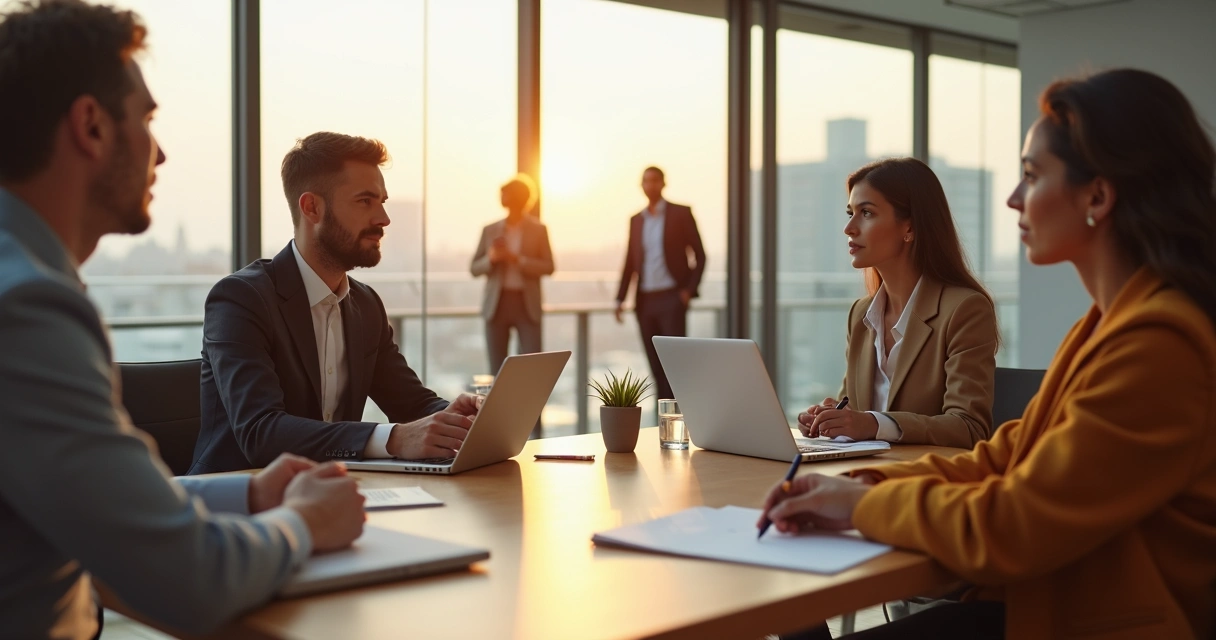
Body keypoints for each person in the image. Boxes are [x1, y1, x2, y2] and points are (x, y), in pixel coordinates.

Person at [763, 69, 1216, 640]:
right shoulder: (1108, 325)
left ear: (1097, 196)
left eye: (1031, 176)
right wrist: (862, 488)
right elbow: (1003, 458)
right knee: (796, 618)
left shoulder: (1160, 343)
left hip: (1082, 622)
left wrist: (858, 507)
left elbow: (1014, 522)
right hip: (1042, 604)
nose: (1013, 198)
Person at [0, 2, 365, 637]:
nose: (161, 153)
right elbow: (190, 580)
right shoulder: (28, 309)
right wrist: (305, 523)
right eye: (145, 119)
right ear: (90, 125)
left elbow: (102, 509)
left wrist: (250, 496)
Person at [193, 132, 481, 474]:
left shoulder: (365, 304)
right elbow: (261, 433)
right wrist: (394, 439)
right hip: (237, 503)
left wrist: (462, 417)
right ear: (311, 207)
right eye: (365, 201)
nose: (384, 219)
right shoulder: (241, 299)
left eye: (383, 201)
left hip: (330, 494)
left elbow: (411, 403)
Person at [797, 158, 999, 449]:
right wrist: (829, 418)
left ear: (910, 227)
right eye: (850, 213)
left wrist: (874, 423)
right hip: (864, 475)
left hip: (924, 481)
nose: (849, 228)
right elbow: (853, 407)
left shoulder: (965, 310)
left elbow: (969, 427)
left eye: (866, 213)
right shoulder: (861, 315)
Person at [614, 166, 706, 400]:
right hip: (645, 302)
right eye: (646, 181)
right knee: (656, 369)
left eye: (655, 181)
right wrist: (620, 298)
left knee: (674, 368)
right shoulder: (637, 220)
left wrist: (687, 292)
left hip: (671, 299)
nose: (651, 185)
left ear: (663, 183)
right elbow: (630, 261)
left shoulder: (681, 213)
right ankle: (660, 426)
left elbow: (700, 254)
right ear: (641, 186)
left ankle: (679, 425)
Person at [470, 173, 554, 375]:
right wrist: (492, 258)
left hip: (527, 304)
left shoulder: (538, 230)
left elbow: (549, 267)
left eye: (505, 194)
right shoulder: (490, 230)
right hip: (497, 304)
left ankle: (531, 408)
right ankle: (500, 408)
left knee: (533, 368)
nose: (501, 198)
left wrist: (517, 259)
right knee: (497, 369)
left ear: (518, 198)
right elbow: (474, 268)